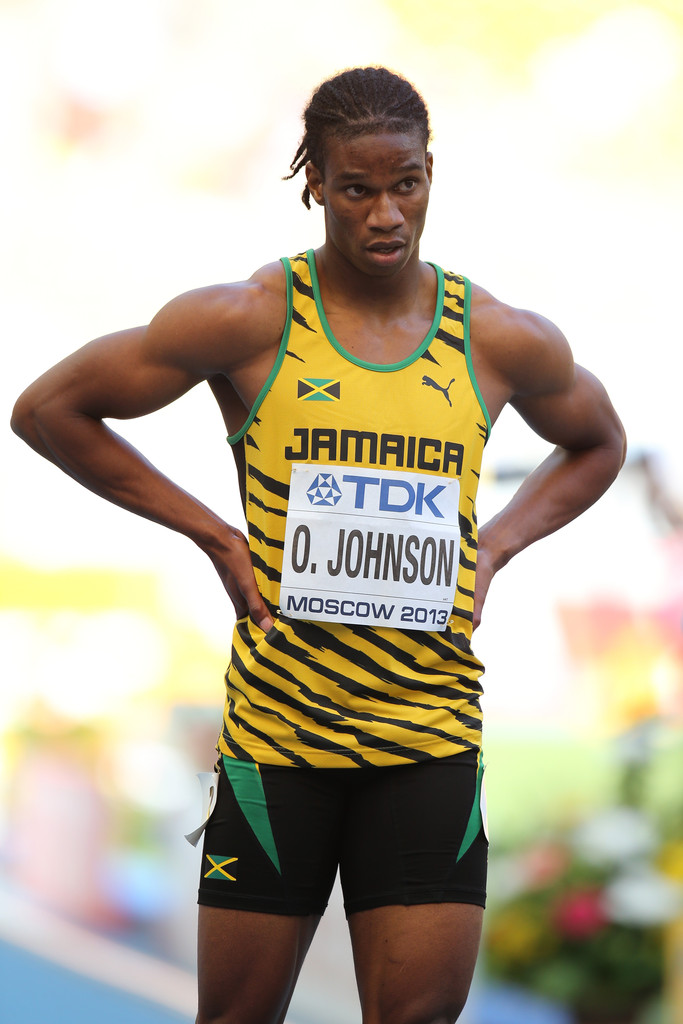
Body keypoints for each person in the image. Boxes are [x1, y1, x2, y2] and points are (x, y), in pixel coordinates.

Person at [11, 66, 626, 1024]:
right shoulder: (249, 320)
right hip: (277, 742)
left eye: (406, 184)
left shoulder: (495, 338)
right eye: (356, 189)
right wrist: (215, 535)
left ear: (430, 176)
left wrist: (496, 546)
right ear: (314, 186)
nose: (385, 215)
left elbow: (598, 442)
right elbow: (49, 410)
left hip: (426, 736)